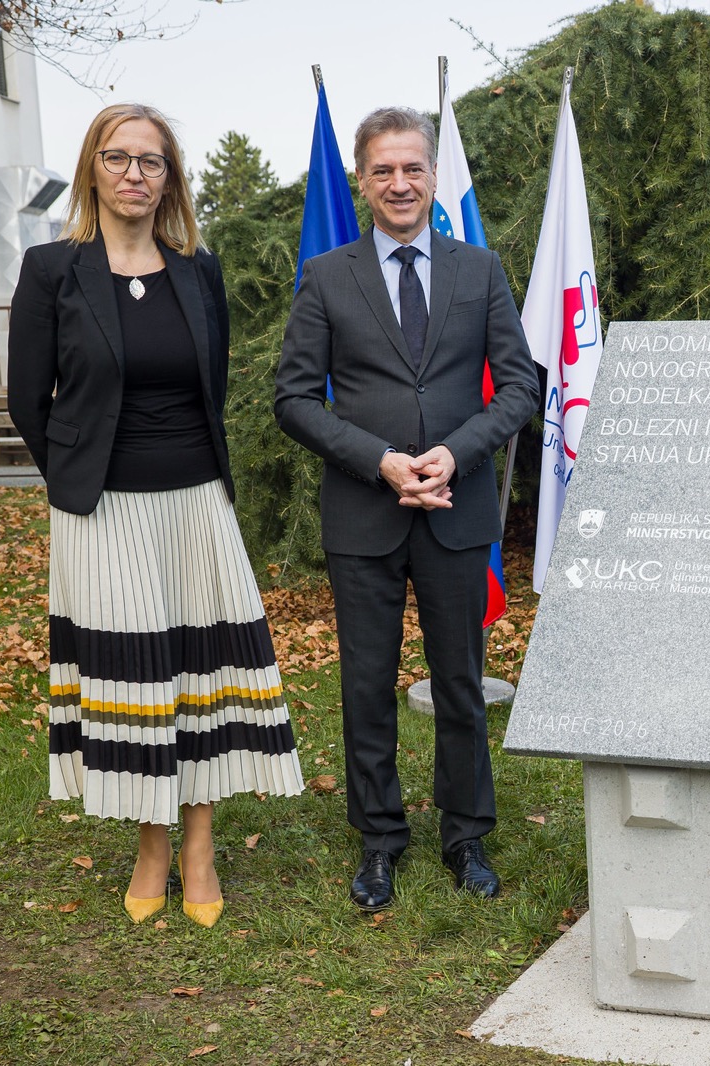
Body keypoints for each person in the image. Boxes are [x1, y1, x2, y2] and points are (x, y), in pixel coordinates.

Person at [8, 103, 305, 928]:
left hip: (197, 503)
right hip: (103, 509)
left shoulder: (197, 270)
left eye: (153, 161)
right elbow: (28, 402)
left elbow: (210, 388)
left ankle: (201, 843)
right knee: (134, 680)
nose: (135, 175)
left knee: (202, 673)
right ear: (91, 169)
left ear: (170, 177)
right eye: (119, 158)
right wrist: (79, 479)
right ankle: (151, 845)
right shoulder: (51, 272)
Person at [274, 106, 537, 910]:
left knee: (459, 681)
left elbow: (522, 384)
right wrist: (381, 462)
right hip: (365, 512)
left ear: (432, 175)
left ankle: (466, 837)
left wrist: (454, 451)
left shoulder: (478, 269)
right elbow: (292, 398)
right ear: (362, 179)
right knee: (365, 684)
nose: (399, 183)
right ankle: (380, 840)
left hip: (457, 505)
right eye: (383, 170)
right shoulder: (327, 275)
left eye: (412, 168)